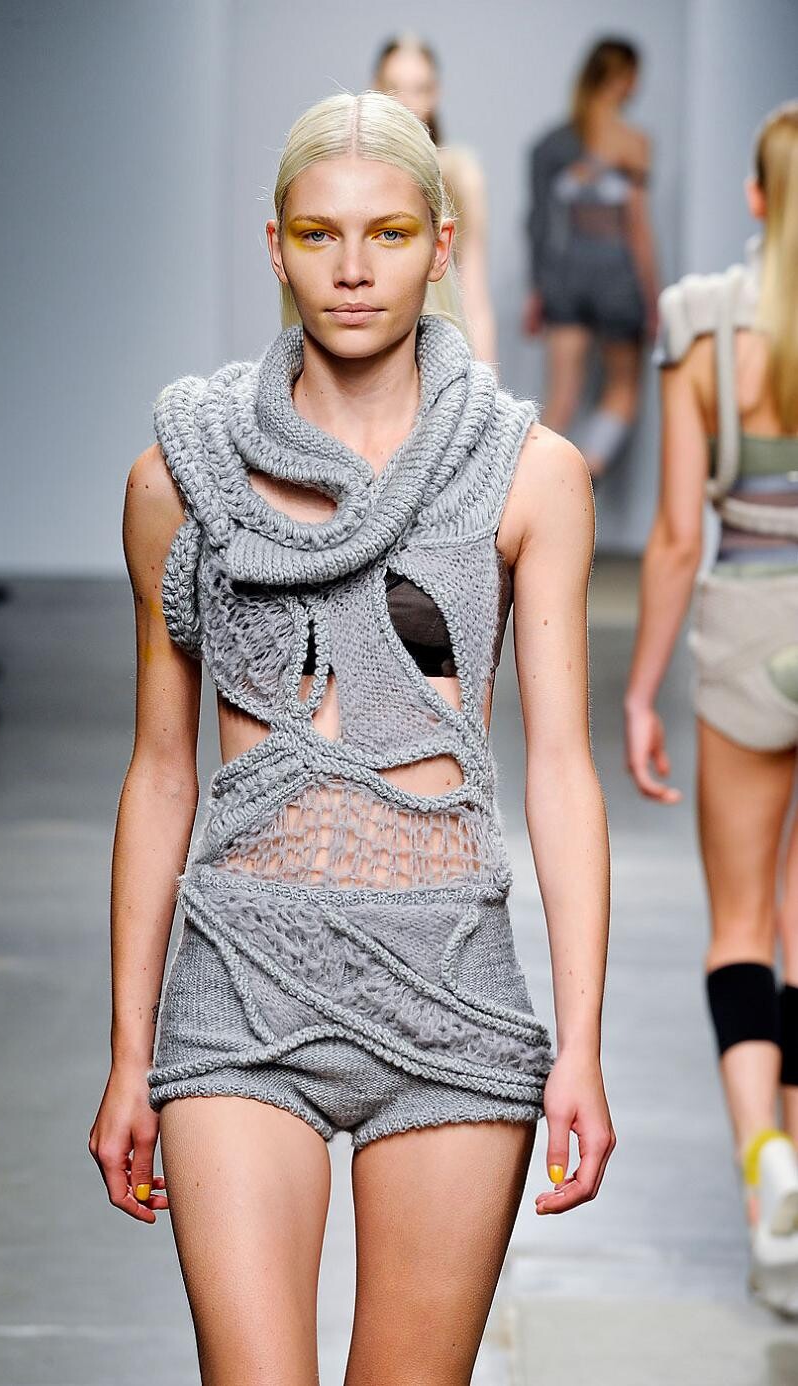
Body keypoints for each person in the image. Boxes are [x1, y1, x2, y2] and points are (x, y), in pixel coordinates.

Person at [90, 90, 614, 1382]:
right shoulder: (179, 479)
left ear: (440, 245)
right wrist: (125, 1052)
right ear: (275, 247)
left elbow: (558, 768)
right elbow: (160, 770)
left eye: (387, 232)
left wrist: (583, 1045)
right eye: (320, 234)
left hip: (450, 982)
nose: (353, 267)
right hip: (239, 976)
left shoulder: (528, 473)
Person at [625, 101, 798, 1316]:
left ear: (753, 196)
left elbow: (677, 538)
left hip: (743, 631)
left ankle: (762, 1163)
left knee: (738, 922)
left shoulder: (700, 327)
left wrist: (639, 689)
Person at [524, 38, 660, 482]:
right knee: (623, 391)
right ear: (622, 79)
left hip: (564, 277)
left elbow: (538, 223)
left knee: (560, 399)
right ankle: (583, 476)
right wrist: (654, 302)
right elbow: (637, 229)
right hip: (617, 278)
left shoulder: (552, 144)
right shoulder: (633, 143)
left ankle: (533, 489)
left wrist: (538, 288)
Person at [373, 33, 498, 364]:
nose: (407, 102)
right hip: (365, 351)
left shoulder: (459, 176)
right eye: (395, 87)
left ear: (436, 92)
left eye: (420, 88)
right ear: (375, 88)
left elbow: (474, 294)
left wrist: (488, 383)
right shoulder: (351, 174)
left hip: (440, 354)